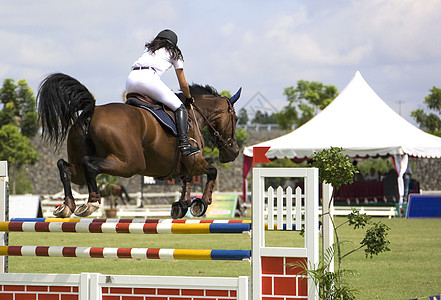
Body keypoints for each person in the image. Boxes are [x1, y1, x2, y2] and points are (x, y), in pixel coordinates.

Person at [126, 29, 200, 156]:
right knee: (179, 107)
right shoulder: (174, 52)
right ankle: (184, 144)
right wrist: (188, 97)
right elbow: (183, 84)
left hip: (130, 80)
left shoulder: (149, 49)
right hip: (148, 79)